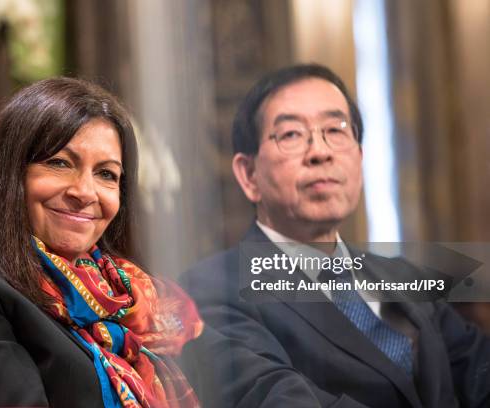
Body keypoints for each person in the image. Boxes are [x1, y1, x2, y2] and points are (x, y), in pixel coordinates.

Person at [179, 64, 490, 408]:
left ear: (360, 157)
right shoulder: (209, 291)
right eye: (291, 134)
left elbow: (478, 369)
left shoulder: (403, 278)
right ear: (248, 174)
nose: (320, 152)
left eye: (336, 130)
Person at [0, 78, 203, 408]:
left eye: (106, 174)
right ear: (9, 174)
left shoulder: (138, 300)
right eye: (59, 163)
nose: (84, 192)